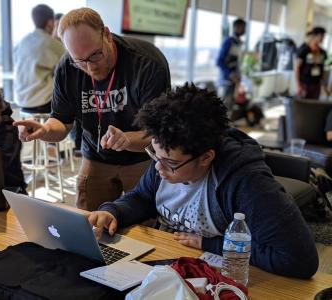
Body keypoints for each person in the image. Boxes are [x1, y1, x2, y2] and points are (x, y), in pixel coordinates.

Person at [89, 83, 319, 279]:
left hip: (218, 275)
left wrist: (212, 244)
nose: (158, 167)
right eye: (154, 155)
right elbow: (142, 198)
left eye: (170, 162)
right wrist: (114, 211)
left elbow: (299, 260)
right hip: (166, 260)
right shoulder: (167, 155)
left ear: (206, 157)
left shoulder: (248, 183)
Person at [14, 7, 171, 211]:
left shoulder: (147, 63)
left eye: (96, 55)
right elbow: (61, 121)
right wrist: (45, 130)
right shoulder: (67, 67)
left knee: (145, 224)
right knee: (86, 223)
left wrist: (126, 139)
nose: (90, 67)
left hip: (142, 158)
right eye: (80, 61)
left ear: (106, 34)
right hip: (96, 156)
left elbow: (159, 133)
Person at [14, 4, 65, 113]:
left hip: (22, 101)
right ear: (51, 22)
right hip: (43, 102)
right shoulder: (52, 44)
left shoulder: (22, 42)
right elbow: (71, 62)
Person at [216, 18, 246, 111]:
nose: (244, 30)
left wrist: (238, 75)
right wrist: (230, 74)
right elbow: (219, 61)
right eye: (243, 27)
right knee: (223, 107)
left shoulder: (239, 43)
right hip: (225, 81)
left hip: (234, 81)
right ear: (236, 28)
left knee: (230, 106)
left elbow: (237, 62)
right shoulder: (229, 41)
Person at [295, 27, 329, 99]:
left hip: (316, 84)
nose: (322, 38)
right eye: (321, 36)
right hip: (305, 84)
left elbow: (322, 70)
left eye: (323, 36)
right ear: (314, 36)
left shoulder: (323, 52)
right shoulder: (304, 50)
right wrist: (298, 85)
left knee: (313, 105)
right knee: (303, 105)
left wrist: (325, 86)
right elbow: (297, 68)